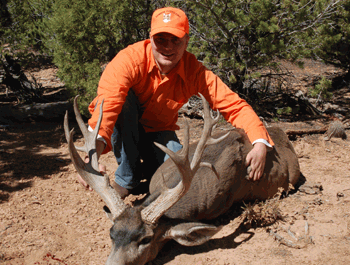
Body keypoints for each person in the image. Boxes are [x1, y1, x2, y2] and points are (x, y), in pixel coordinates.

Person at [77, 7, 274, 198]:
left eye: (175, 40)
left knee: (183, 175)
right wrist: (91, 159)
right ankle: (128, 179)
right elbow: (106, 111)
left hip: (159, 132)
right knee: (123, 100)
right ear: (150, 38)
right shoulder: (128, 61)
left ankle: (146, 168)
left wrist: (259, 143)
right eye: (160, 39)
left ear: (187, 41)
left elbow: (234, 105)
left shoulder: (194, 71)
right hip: (126, 131)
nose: (168, 47)